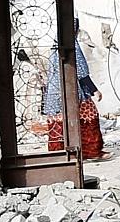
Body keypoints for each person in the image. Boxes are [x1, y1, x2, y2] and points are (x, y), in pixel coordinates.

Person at [43, 29, 106, 160]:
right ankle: (90, 152)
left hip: (54, 93)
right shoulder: (73, 46)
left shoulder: (54, 49)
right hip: (73, 90)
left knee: (58, 123)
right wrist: (94, 90)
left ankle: (59, 155)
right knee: (89, 115)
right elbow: (82, 72)